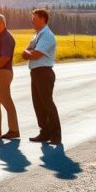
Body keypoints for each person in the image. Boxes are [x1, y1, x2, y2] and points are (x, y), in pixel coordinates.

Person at [23, 8, 60, 144]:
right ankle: (44, 132)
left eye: (34, 18)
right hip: (36, 72)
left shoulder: (47, 35)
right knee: (38, 105)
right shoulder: (37, 35)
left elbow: (35, 54)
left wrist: (28, 52)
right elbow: (26, 52)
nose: (32, 21)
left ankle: (55, 135)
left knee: (47, 104)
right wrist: (28, 52)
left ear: (43, 19)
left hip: (44, 72)